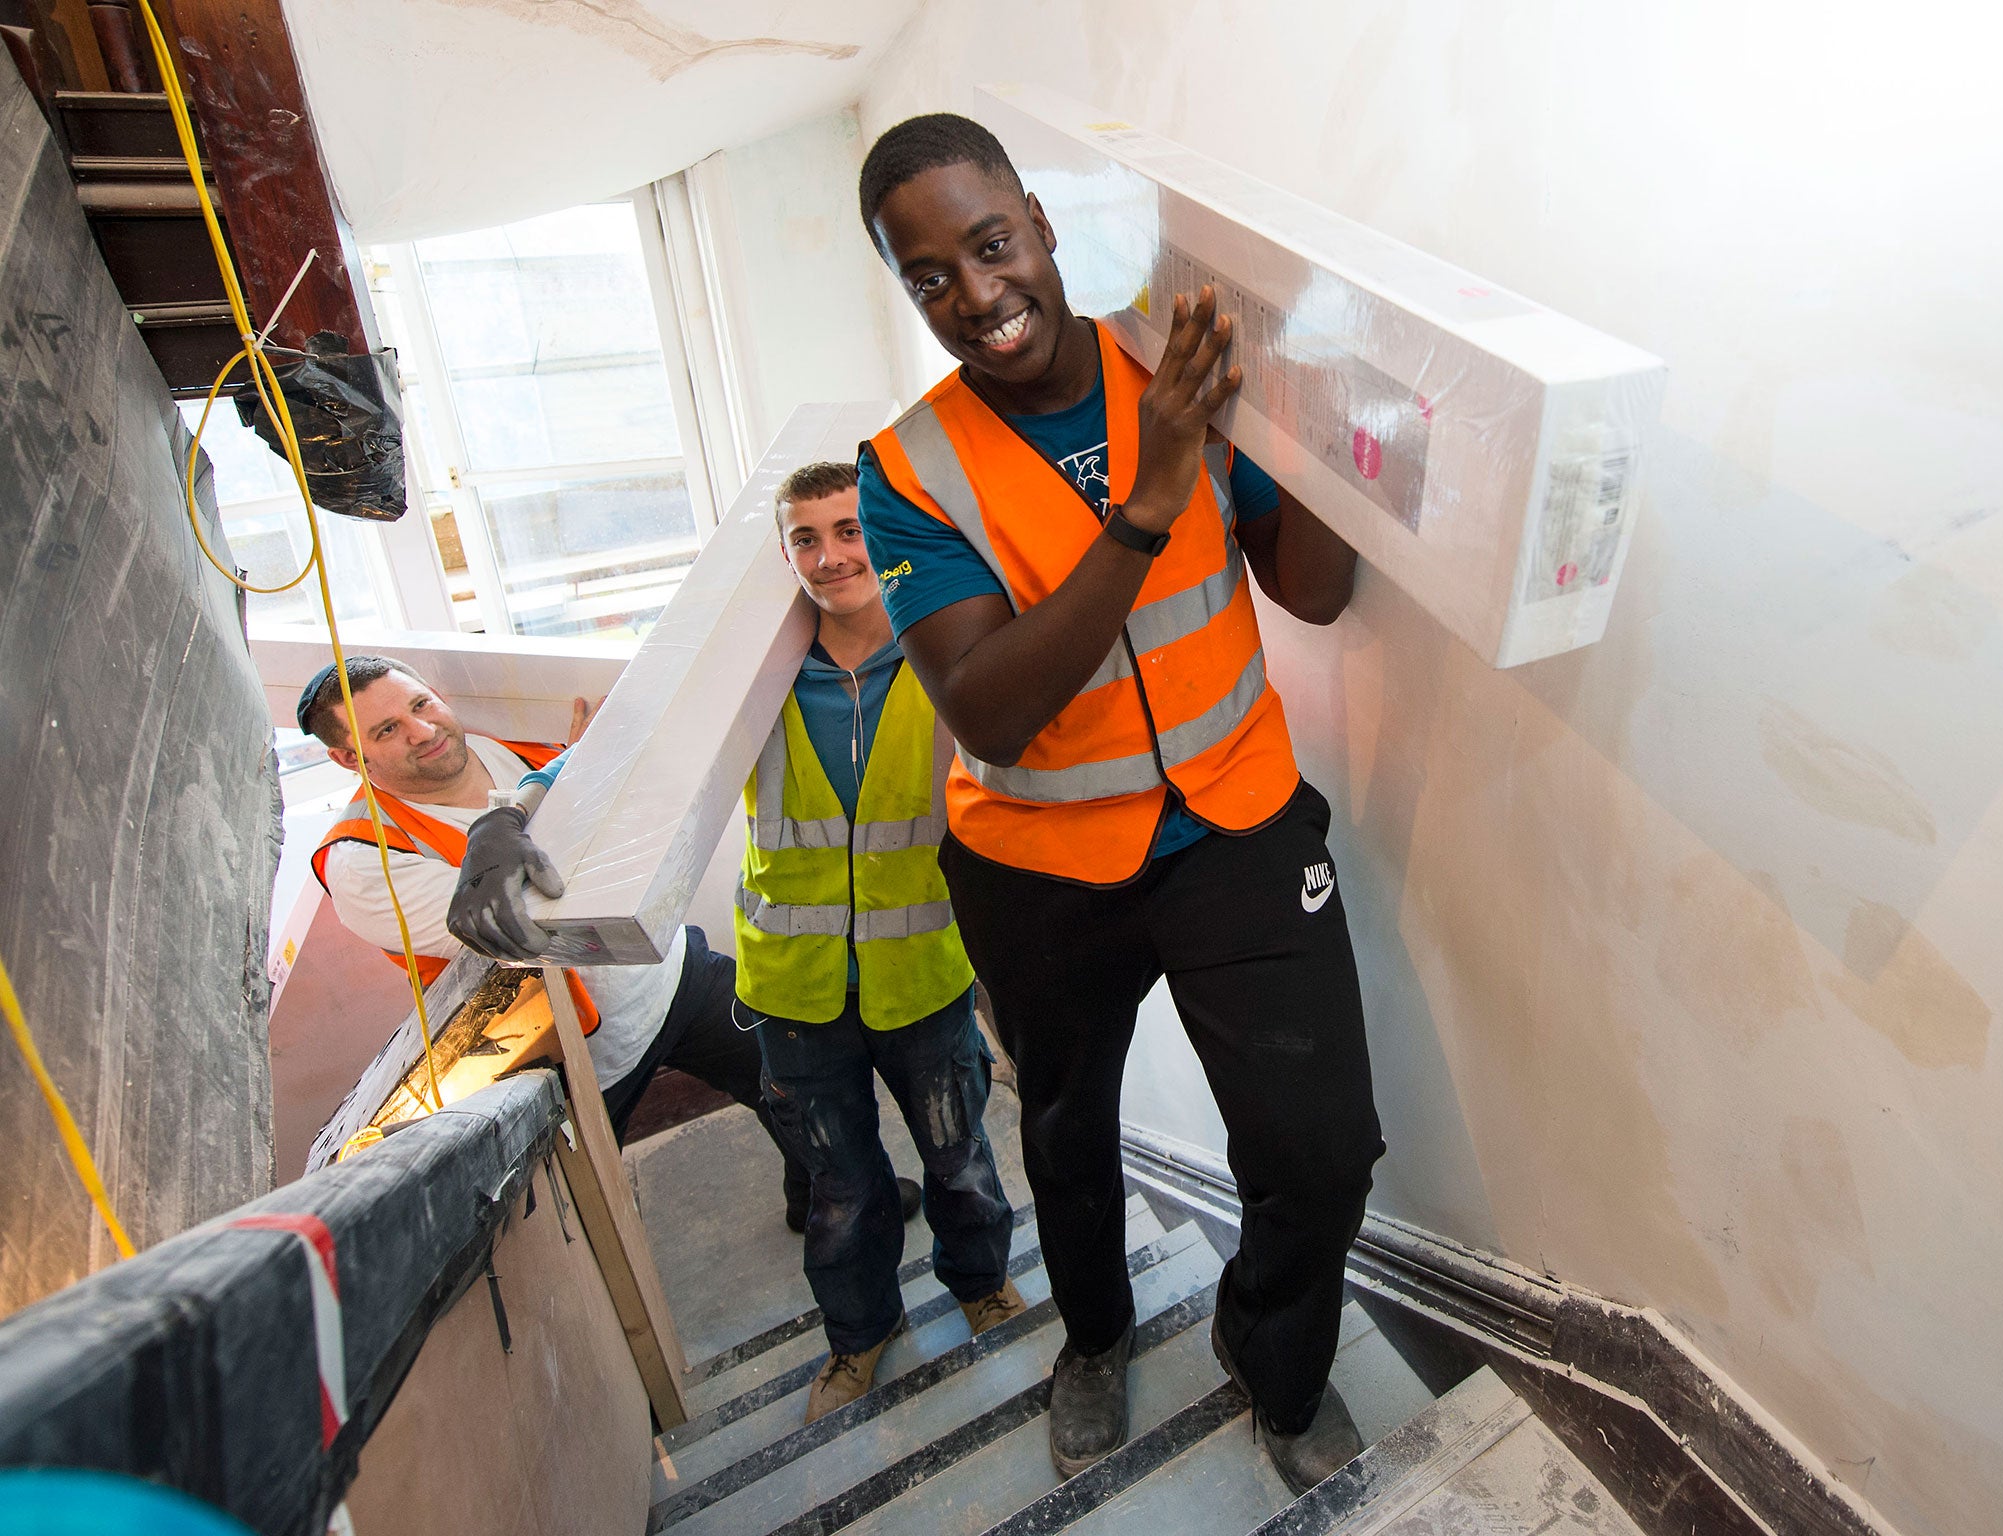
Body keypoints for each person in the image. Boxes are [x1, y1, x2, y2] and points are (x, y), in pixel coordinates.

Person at [853, 113, 1385, 1491]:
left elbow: (1314, 591)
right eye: (928, 277)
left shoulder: (1186, 365)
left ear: (1037, 219)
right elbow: (989, 708)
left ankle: (1276, 1363)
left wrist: (1321, 424)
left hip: (1236, 820)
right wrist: (1148, 498)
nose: (976, 295)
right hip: (1036, 864)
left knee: (1318, 1152)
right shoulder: (908, 471)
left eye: (989, 243)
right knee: (1067, 1133)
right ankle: (1095, 1335)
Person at [448, 465, 1025, 1422]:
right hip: (793, 990)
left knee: (959, 1157)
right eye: (806, 538)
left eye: (849, 529)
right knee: (840, 1184)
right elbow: (607, 758)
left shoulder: (945, 654)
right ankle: (859, 1336)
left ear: (884, 533)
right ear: (784, 553)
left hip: (923, 973)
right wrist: (505, 817)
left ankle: (979, 1285)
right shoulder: (752, 678)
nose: (831, 555)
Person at [302, 656, 885, 1233]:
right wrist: (584, 776)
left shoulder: (515, 743)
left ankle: (823, 1204)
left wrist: (587, 772)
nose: (423, 731)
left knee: (799, 1090)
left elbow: (638, 835)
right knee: (583, 1221)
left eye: (420, 705)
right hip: (568, 1054)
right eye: (387, 731)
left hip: (669, 971)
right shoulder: (364, 861)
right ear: (350, 759)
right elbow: (551, 920)